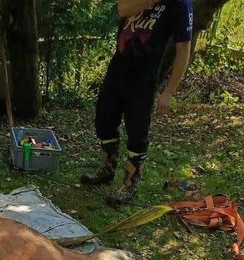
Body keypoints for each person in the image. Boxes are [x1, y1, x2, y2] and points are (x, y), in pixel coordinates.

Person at [81, 0, 193, 204]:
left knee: (137, 131)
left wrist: (169, 92)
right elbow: (122, 9)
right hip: (118, 68)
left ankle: (129, 184)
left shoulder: (180, 4)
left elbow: (184, 50)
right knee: (104, 120)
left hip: (145, 76)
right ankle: (106, 169)